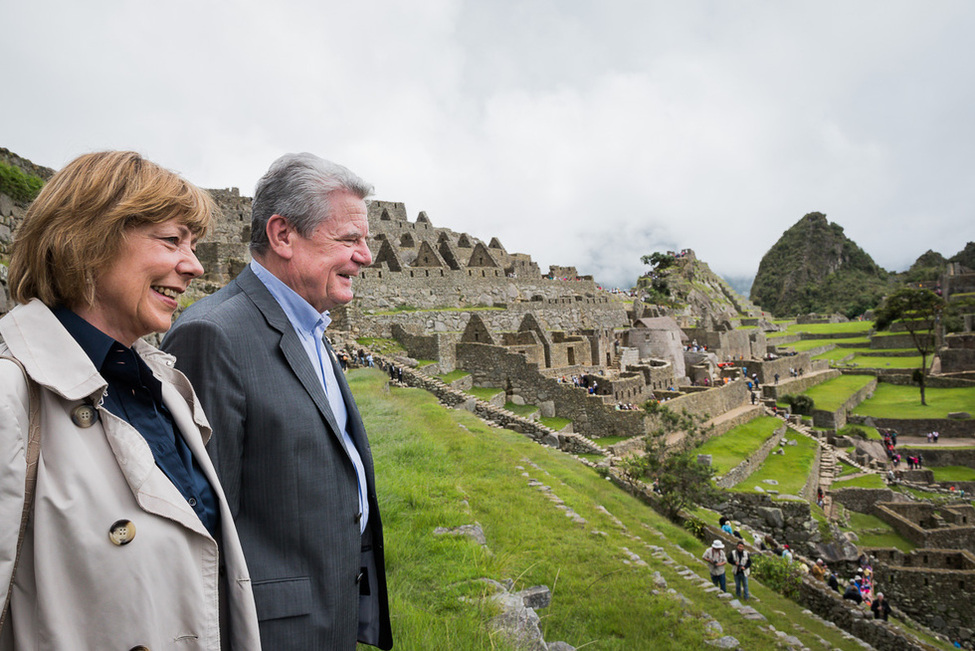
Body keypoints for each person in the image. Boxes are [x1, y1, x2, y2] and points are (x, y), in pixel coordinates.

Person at [0, 151, 261, 649]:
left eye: (194, 244)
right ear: (88, 241)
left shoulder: (165, 389)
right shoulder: (11, 396)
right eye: (172, 240)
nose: (195, 266)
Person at [162, 152, 391, 650]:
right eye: (349, 240)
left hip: (330, 615)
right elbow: (202, 529)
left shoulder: (309, 324)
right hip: (273, 631)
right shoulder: (214, 335)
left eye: (365, 241)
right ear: (283, 235)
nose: (366, 256)